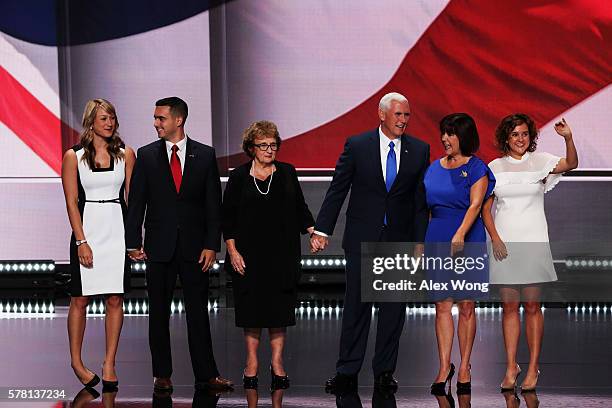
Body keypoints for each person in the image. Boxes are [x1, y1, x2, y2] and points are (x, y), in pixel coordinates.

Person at [311, 92, 430, 392]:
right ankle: (347, 371)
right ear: (382, 114)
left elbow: (419, 203)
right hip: (362, 238)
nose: (403, 120)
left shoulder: (418, 150)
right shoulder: (358, 145)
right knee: (357, 308)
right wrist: (322, 229)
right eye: (398, 115)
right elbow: (338, 189)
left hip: (398, 240)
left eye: (406, 115)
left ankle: (384, 372)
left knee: (393, 311)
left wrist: (419, 243)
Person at [125, 97, 232, 392]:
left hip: (195, 249)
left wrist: (212, 244)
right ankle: (161, 374)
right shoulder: (146, 156)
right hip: (158, 247)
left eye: (161, 118)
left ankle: (207, 375)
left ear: (178, 120)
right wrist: (132, 242)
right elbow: (137, 203)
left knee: (198, 313)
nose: (156, 123)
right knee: (157, 312)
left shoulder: (205, 155)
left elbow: (213, 204)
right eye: (155, 118)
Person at [482, 114, 577, 392]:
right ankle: (511, 366)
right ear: (506, 139)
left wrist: (568, 138)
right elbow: (485, 209)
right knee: (509, 307)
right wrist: (495, 238)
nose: (520, 139)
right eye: (514, 135)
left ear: (530, 136)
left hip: (534, 242)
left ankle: (533, 367)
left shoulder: (541, 162)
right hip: (505, 245)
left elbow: (571, 163)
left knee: (533, 306)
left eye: (524, 134)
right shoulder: (495, 167)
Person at [222, 120, 315, 390]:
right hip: (248, 255)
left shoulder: (287, 172)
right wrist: (232, 250)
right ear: (251, 148)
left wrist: (313, 231)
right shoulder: (239, 176)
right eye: (263, 145)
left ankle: (277, 363)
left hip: (281, 254)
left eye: (273, 145)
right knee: (251, 312)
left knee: (278, 312)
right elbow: (227, 218)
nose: (269, 149)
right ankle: (251, 362)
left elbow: (300, 207)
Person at [61, 98, 135, 388]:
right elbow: (70, 201)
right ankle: (76, 362)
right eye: (104, 118)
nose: (109, 123)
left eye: (112, 118)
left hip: (116, 229)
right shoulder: (73, 156)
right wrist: (81, 240)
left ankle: (109, 362)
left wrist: (134, 240)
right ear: (91, 121)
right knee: (80, 299)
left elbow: (133, 199)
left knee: (115, 298)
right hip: (88, 230)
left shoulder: (125, 154)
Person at [424, 113, 495, 395]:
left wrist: (461, 234)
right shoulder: (433, 168)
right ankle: (444, 366)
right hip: (437, 236)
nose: (445, 138)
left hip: (468, 238)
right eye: (443, 133)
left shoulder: (478, 168)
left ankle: (465, 365)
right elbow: (427, 206)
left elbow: (476, 204)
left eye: (451, 133)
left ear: (463, 136)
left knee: (466, 305)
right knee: (441, 305)